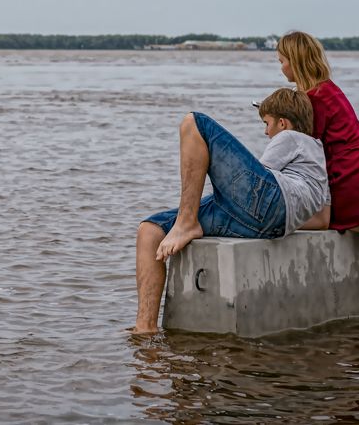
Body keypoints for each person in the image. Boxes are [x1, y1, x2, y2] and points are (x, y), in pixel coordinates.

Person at [133, 88, 330, 334]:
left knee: (193, 122)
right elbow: (323, 220)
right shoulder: (319, 157)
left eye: (267, 123)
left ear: (283, 122)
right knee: (150, 230)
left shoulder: (291, 137)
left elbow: (259, 181)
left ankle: (186, 223)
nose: (266, 132)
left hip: (268, 203)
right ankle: (144, 331)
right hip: (269, 224)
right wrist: (283, 224)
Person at [276, 31, 359, 261]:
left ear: (295, 61)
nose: (281, 68)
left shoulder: (313, 99)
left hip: (350, 184)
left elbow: (304, 150)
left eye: (282, 61)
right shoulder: (330, 89)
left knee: (312, 217)